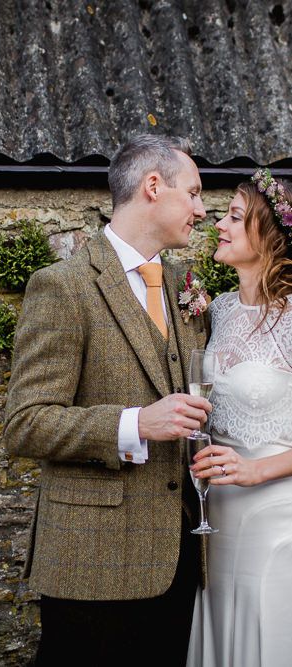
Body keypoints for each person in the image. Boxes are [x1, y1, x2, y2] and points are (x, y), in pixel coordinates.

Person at [3, 133, 211, 667]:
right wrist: (136, 423)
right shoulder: (64, 287)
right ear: (153, 186)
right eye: (193, 193)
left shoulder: (186, 286)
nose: (201, 209)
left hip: (181, 553)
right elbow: (26, 424)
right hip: (91, 561)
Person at [186, 169, 292, 667]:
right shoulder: (221, 309)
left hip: (274, 510)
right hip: (215, 513)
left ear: (267, 234)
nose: (219, 225)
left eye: (233, 216)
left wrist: (256, 471)